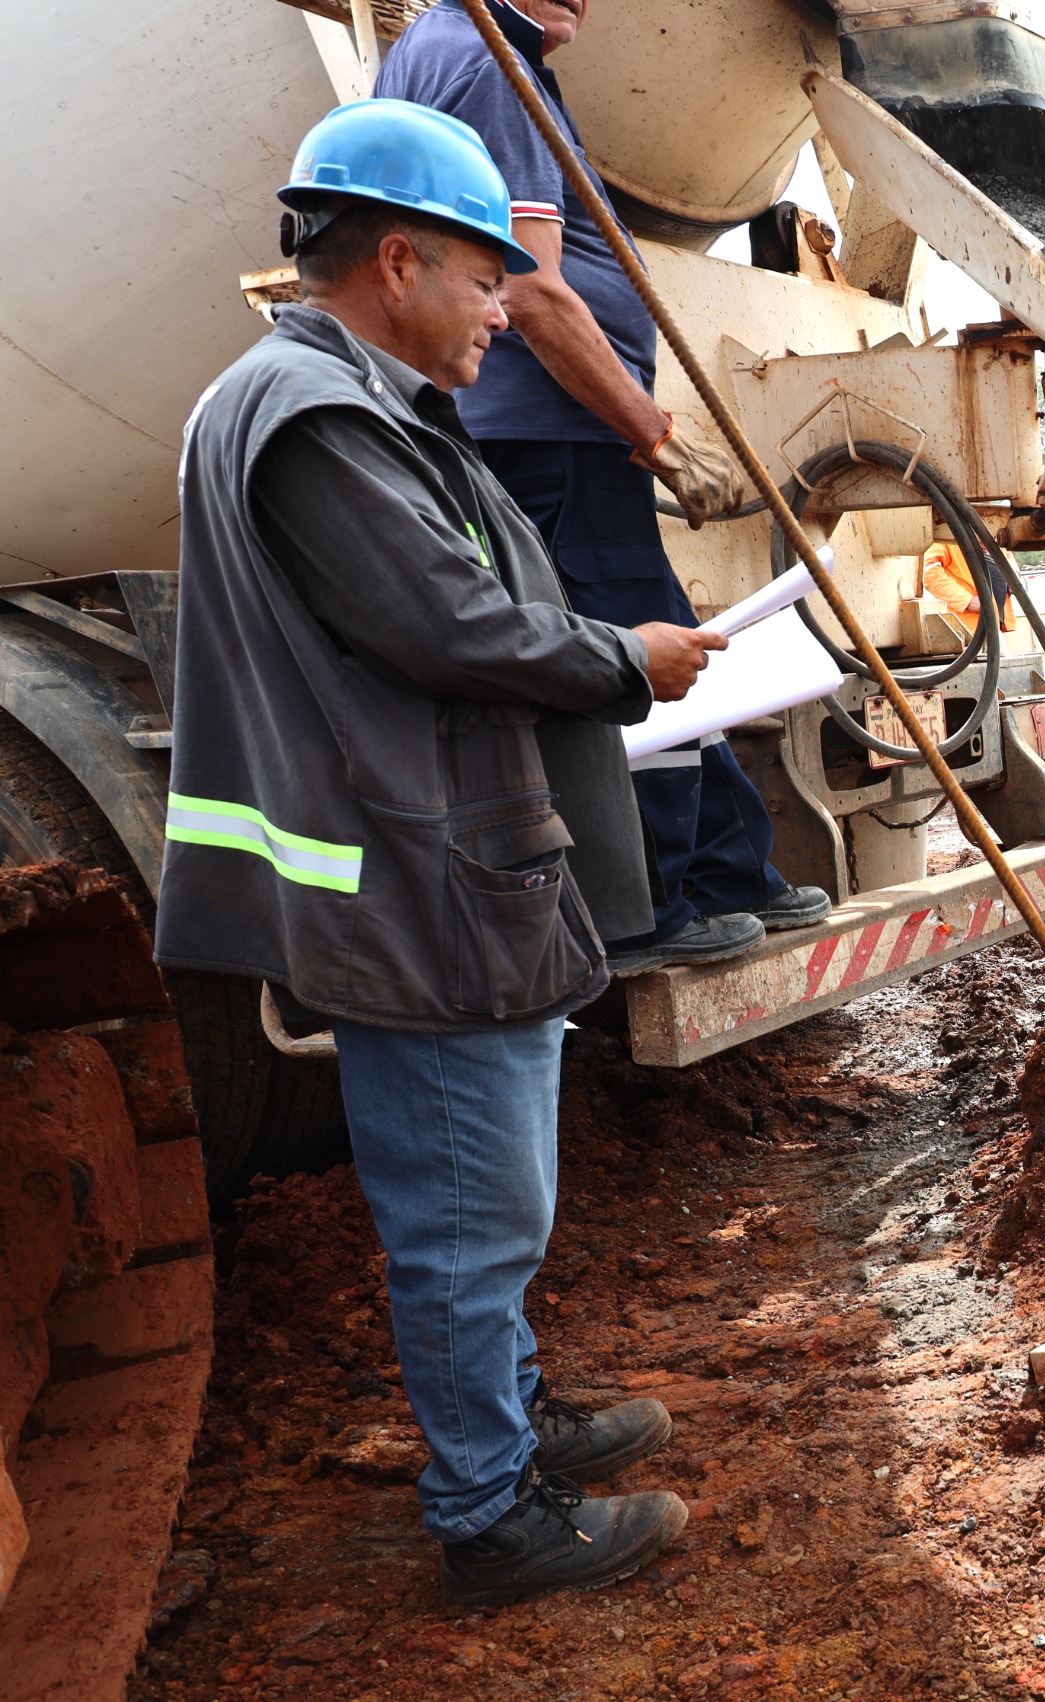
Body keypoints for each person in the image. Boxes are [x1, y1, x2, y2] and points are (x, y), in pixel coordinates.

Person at [160, 99, 707, 1603]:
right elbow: (446, 625)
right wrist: (627, 657)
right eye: (484, 280)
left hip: (426, 858)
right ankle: (490, 1510)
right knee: (468, 1207)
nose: (504, 313)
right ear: (396, 261)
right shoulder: (316, 415)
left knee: (483, 1195)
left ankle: (509, 1418)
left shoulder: (326, 399)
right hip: (417, 876)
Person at [376, 0, 830, 972]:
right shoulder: (489, 60)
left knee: (664, 635)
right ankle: (649, 904)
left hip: (549, 433)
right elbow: (531, 289)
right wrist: (656, 433)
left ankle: (725, 868)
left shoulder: (464, 51)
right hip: (548, 434)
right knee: (628, 657)